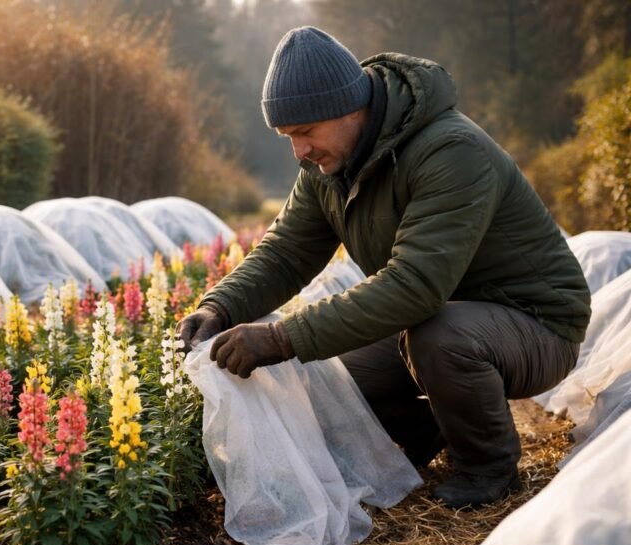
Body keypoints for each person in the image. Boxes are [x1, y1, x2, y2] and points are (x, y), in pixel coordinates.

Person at [177, 26, 591, 508]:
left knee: (442, 340)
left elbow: (415, 286)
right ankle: (432, 424)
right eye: (288, 137)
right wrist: (220, 307)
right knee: (340, 386)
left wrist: (280, 338)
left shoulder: (450, 151)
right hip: (438, 316)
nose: (300, 152)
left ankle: (488, 468)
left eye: (305, 132)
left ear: (351, 107)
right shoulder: (329, 166)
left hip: (535, 325)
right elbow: (287, 252)